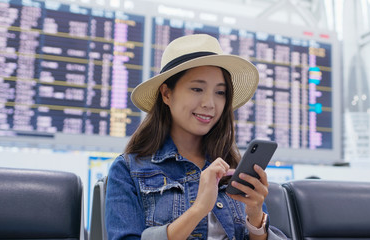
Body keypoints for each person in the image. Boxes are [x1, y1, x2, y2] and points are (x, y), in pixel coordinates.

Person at [105, 34, 288, 240]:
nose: (210, 103)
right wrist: (198, 209)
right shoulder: (128, 170)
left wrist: (256, 221)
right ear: (166, 94)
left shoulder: (233, 167)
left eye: (220, 92)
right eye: (197, 89)